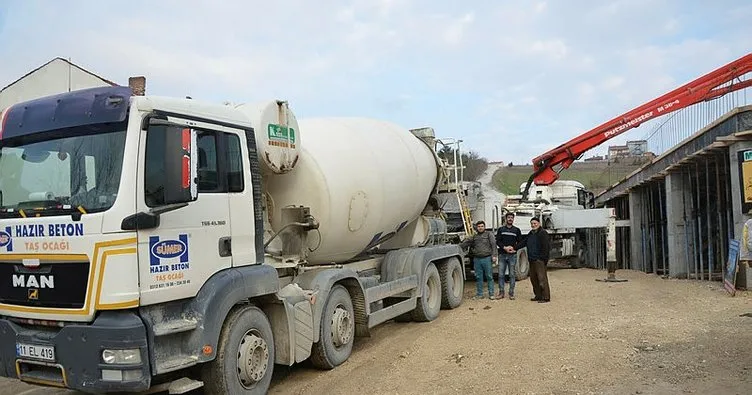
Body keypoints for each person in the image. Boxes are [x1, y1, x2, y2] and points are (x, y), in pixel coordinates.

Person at [461, 221, 498, 300]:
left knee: (489, 276)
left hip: (487, 258)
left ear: (484, 227)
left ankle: (491, 294)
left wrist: (494, 255)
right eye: (479, 226)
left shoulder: (489, 234)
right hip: (477, 259)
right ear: (477, 228)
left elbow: (493, 244)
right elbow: (466, 242)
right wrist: (458, 246)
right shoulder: (474, 236)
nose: (480, 228)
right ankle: (479, 294)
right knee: (478, 277)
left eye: (482, 226)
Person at [495, 212, 522, 300]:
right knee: (501, 275)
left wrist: (514, 248)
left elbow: (520, 242)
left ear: (513, 219)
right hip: (502, 254)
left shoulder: (517, 230)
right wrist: (504, 247)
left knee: (512, 275)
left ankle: (511, 293)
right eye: (508, 217)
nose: (510, 219)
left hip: (512, 256)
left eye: (511, 218)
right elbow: (498, 241)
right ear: (505, 219)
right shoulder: (501, 230)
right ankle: (501, 293)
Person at [525, 217, 551, 303]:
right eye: (532, 223)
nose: (533, 225)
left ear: (539, 224)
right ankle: (538, 295)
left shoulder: (543, 233)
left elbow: (546, 247)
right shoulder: (531, 233)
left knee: (542, 279)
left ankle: (545, 297)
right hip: (532, 259)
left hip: (539, 260)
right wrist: (514, 248)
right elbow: (524, 242)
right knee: (534, 279)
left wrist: (543, 259)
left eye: (535, 223)